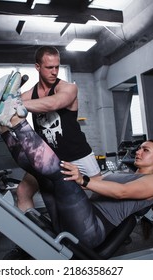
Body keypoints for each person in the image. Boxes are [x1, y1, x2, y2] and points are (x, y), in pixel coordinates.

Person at [0, 102, 153, 250]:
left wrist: (80, 179)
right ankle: (4, 130)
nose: (138, 151)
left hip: (91, 229)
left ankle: (16, 121)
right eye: (140, 148)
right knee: (43, 176)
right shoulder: (123, 173)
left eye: (146, 150)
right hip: (75, 220)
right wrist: (76, 179)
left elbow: (122, 192)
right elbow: (93, 183)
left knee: (59, 173)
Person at [15, 46, 100, 212]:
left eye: (57, 67)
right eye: (49, 67)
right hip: (49, 159)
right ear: (37, 67)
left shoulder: (68, 88)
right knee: (23, 191)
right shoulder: (28, 95)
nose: (54, 72)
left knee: (100, 193)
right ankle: (35, 235)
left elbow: (52, 103)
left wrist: (15, 104)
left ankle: (108, 231)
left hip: (78, 155)